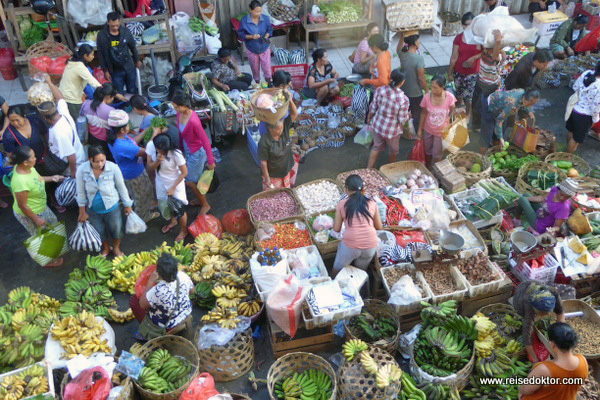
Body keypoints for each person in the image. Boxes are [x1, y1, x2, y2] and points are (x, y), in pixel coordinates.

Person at [9, 146, 65, 267]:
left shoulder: (29, 168)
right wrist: (36, 219)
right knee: (41, 237)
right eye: (33, 157)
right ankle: (47, 261)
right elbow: (22, 206)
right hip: (30, 214)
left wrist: (52, 178)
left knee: (53, 225)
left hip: (42, 207)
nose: (36, 158)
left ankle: (52, 250)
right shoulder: (20, 182)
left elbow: (37, 179)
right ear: (25, 162)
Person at [76, 145, 133, 257]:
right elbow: (80, 192)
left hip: (113, 207)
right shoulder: (82, 170)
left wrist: (127, 204)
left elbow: (121, 187)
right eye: (96, 161)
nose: (100, 164)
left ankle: (116, 248)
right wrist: (82, 212)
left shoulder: (113, 168)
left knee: (116, 230)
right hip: (93, 209)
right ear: (89, 159)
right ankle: (106, 248)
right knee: (99, 231)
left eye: (102, 160)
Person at [107, 110, 157, 223]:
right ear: (122, 129)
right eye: (127, 124)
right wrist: (154, 134)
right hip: (134, 175)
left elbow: (133, 142)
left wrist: (144, 132)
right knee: (141, 197)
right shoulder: (122, 146)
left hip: (131, 171)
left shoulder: (116, 137)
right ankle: (143, 217)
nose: (129, 125)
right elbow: (146, 152)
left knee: (138, 194)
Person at [130, 253, 194, 341]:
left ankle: (145, 334)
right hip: (184, 313)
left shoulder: (158, 290)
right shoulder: (183, 276)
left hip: (168, 324)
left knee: (134, 301)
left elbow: (142, 304)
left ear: (159, 274)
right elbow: (192, 291)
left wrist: (150, 281)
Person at [520, 322, 588, 400]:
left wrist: (520, 391)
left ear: (552, 344)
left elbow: (525, 390)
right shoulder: (583, 360)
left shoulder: (544, 369)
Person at [171, 93, 215, 213]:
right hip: (187, 149)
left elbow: (205, 140)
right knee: (194, 180)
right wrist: (181, 150)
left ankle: (205, 205)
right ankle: (200, 199)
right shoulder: (178, 114)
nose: (175, 109)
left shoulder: (194, 121)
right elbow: (181, 134)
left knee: (189, 181)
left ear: (184, 106)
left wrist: (210, 160)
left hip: (197, 153)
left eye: (176, 107)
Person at [331, 174, 383, 276]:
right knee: (359, 273)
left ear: (346, 189)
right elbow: (379, 227)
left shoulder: (342, 204)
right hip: (371, 245)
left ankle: (334, 284)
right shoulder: (372, 203)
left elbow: (336, 229)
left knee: (337, 271)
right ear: (363, 189)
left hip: (351, 244)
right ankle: (358, 288)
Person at [37, 75, 87, 178]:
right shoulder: (63, 113)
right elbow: (60, 97)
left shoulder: (58, 132)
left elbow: (71, 155)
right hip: (79, 155)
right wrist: (49, 82)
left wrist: (73, 173)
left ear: (45, 118)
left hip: (72, 166)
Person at [146, 133, 188, 242]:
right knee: (165, 204)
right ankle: (173, 221)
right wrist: (158, 160)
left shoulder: (176, 154)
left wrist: (173, 187)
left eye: (162, 150)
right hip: (160, 182)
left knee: (179, 209)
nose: (160, 152)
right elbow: (150, 168)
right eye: (158, 149)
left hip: (175, 183)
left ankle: (183, 230)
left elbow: (184, 172)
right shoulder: (151, 146)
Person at [513, 281, 567, 363]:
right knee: (524, 318)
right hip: (521, 293)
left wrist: (560, 333)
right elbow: (526, 338)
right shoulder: (529, 308)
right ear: (535, 310)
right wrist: (535, 360)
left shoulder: (552, 293)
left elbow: (560, 312)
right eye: (542, 313)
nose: (547, 315)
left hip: (533, 284)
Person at [366, 69, 410, 168]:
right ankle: (390, 167)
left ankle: (368, 168)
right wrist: (408, 116)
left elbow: (373, 108)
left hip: (377, 125)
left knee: (376, 147)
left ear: (390, 78)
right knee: (393, 150)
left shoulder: (380, 90)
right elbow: (402, 119)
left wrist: (369, 119)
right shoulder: (403, 99)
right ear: (402, 82)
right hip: (392, 131)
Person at [258, 91, 299, 190]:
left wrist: (289, 100)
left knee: (286, 191)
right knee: (275, 196)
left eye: (282, 127)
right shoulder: (264, 142)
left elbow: (294, 114)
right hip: (273, 174)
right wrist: (267, 178)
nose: (281, 131)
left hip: (286, 168)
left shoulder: (284, 129)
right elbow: (263, 162)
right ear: (270, 129)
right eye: (278, 129)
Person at [96, 11, 141, 95]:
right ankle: (123, 107)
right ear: (108, 22)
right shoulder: (101, 35)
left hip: (128, 66)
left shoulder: (126, 32)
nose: (115, 27)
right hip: (114, 69)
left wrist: (137, 60)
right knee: (118, 92)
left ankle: (133, 106)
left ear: (120, 21)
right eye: (113, 26)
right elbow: (100, 54)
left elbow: (133, 47)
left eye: (117, 25)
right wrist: (105, 70)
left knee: (132, 89)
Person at [418, 75, 457, 167]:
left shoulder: (450, 97)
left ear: (442, 87)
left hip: (441, 132)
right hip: (428, 130)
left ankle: (437, 171)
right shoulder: (427, 97)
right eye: (431, 86)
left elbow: (452, 112)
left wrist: (451, 128)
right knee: (427, 151)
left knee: (436, 154)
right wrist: (420, 129)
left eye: (435, 87)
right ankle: (427, 168)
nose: (432, 89)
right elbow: (423, 113)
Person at [448, 12, 481, 117]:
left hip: (472, 73)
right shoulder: (458, 38)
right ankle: (458, 112)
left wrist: (474, 58)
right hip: (458, 71)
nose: (469, 27)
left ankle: (468, 115)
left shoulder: (478, 38)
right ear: (462, 25)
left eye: (471, 25)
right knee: (458, 93)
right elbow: (454, 57)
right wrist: (450, 73)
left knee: (468, 98)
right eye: (467, 24)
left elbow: (485, 52)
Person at [58, 44, 101, 121]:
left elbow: (74, 79)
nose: (93, 57)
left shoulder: (72, 61)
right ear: (85, 56)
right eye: (92, 55)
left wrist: (81, 92)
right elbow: (92, 81)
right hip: (71, 98)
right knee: (79, 120)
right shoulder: (79, 66)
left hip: (64, 94)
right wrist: (104, 89)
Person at [471, 29, 504, 131]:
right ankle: (476, 124)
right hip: (480, 81)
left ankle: (480, 127)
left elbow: (495, 55)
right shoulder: (484, 52)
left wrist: (498, 41)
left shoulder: (497, 57)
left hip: (489, 86)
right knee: (475, 104)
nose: (486, 50)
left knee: (481, 107)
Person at [565, 61, 600, 153]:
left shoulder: (587, 73)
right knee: (577, 139)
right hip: (585, 116)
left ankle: (566, 150)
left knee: (571, 130)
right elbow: (595, 107)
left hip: (574, 108)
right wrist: (595, 119)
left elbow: (575, 87)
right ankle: (567, 156)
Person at [398, 34, 428, 138]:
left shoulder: (402, 54)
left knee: (405, 112)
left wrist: (401, 36)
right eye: (418, 41)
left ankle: (405, 133)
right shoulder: (419, 58)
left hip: (403, 90)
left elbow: (398, 48)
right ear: (415, 43)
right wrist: (427, 90)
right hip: (415, 92)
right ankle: (415, 134)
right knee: (416, 114)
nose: (419, 42)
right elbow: (421, 78)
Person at [237, 1, 273, 84]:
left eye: (260, 11)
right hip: (252, 49)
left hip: (264, 48)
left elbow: (270, 29)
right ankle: (257, 85)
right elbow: (241, 35)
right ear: (251, 10)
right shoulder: (244, 20)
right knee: (255, 70)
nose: (258, 13)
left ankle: (269, 84)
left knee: (267, 69)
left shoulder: (265, 19)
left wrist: (267, 35)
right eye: (256, 11)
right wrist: (252, 36)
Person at [79, 83, 117, 157]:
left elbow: (81, 117)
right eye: (113, 97)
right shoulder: (111, 111)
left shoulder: (86, 104)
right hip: (104, 140)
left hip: (90, 137)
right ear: (108, 97)